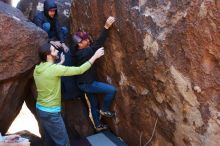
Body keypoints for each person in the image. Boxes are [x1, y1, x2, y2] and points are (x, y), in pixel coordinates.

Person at [34, 43, 104, 146]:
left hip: (41, 109)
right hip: (51, 112)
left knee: (50, 139)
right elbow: (80, 70)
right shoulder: (54, 70)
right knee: (64, 142)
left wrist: (61, 62)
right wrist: (95, 56)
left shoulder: (37, 68)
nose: (57, 51)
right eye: (54, 50)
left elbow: (49, 71)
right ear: (48, 55)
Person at [72, 16, 117, 131]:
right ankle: (105, 110)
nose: (87, 41)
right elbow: (99, 43)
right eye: (83, 41)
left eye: (86, 39)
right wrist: (106, 27)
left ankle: (98, 125)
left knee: (93, 103)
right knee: (112, 90)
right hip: (88, 84)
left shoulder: (76, 51)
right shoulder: (86, 52)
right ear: (80, 44)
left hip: (82, 83)